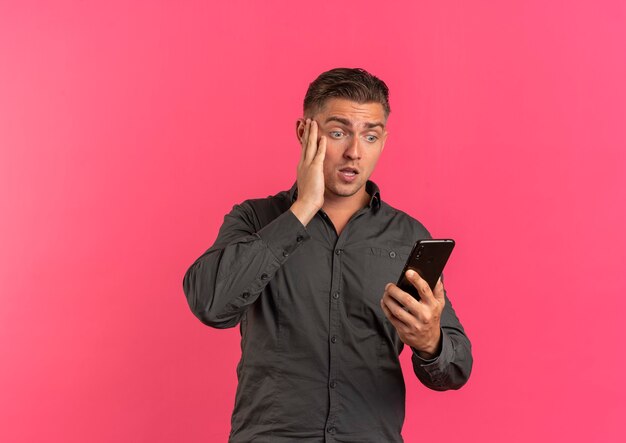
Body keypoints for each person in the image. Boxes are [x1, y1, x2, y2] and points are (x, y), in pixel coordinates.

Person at [183, 68, 472, 442]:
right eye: (338, 133)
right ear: (305, 133)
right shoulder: (255, 219)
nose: (355, 151)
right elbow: (210, 304)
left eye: (370, 136)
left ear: (383, 140)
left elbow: (456, 369)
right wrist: (302, 209)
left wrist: (430, 341)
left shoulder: (408, 237)